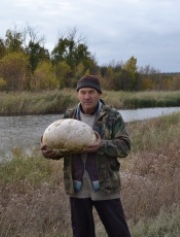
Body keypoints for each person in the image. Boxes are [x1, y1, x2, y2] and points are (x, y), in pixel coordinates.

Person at [41, 75, 132, 237]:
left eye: (91, 92)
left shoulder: (111, 116)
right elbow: (60, 148)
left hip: (105, 186)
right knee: (82, 234)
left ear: (99, 94)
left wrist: (101, 145)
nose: (87, 96)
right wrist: (49, 153)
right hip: (77, 188)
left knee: (119, 233)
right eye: (83, 92)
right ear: (78, 94)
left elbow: (124, 147)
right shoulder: (69, 117)